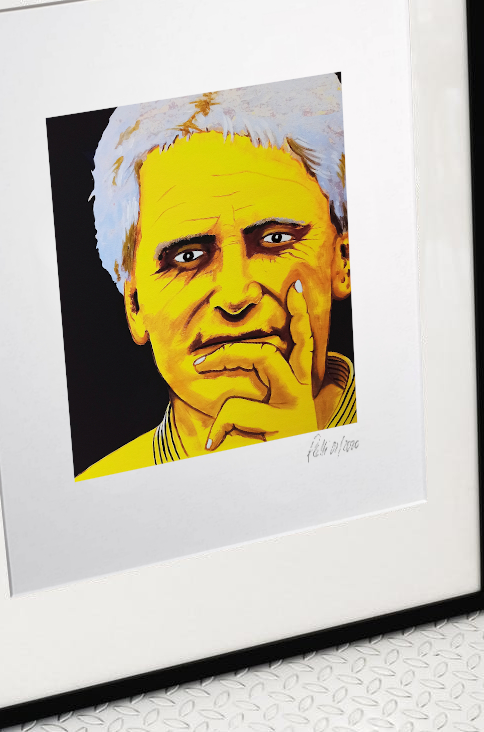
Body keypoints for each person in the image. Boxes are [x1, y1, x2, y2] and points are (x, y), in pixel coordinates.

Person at [76, 73, 356, 479]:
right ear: (135, 305)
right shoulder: (98, 491)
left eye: (275, 239)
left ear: (342, 260)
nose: (235, 295)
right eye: (188, 256)